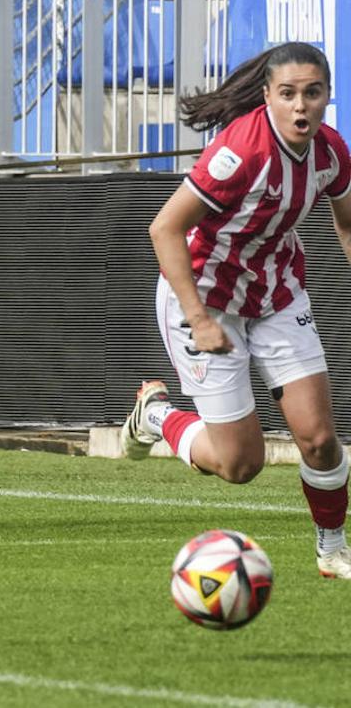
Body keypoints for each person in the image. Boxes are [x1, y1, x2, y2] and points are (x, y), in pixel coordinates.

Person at [122, 42, 351, 578]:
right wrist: (198, 318)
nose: (301, 106)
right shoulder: (239, 154)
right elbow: (164, 229)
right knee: (239, 464)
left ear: (327, 96)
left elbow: (348, 222)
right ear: (268, 95)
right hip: (204, 298)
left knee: (319, 438)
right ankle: (156, 415)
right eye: (289, 94)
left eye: (312, 94)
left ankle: (333, 551)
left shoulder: (331, 152)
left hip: (276, 294)